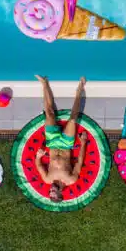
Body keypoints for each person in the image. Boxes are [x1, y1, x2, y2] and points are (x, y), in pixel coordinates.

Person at [34, 75, 89, 203]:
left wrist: (38, 156)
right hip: (66, 144)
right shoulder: (71, 179)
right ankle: (80, 89)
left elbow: (38, 165)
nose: (51, 190)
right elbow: (79, 161)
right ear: (60, 193)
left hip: (52, 143)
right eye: (53, 193)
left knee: (49, 113)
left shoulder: (47, 179)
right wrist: (83, 143)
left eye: (50, 193)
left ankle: (44, 84)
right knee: (73, 119)